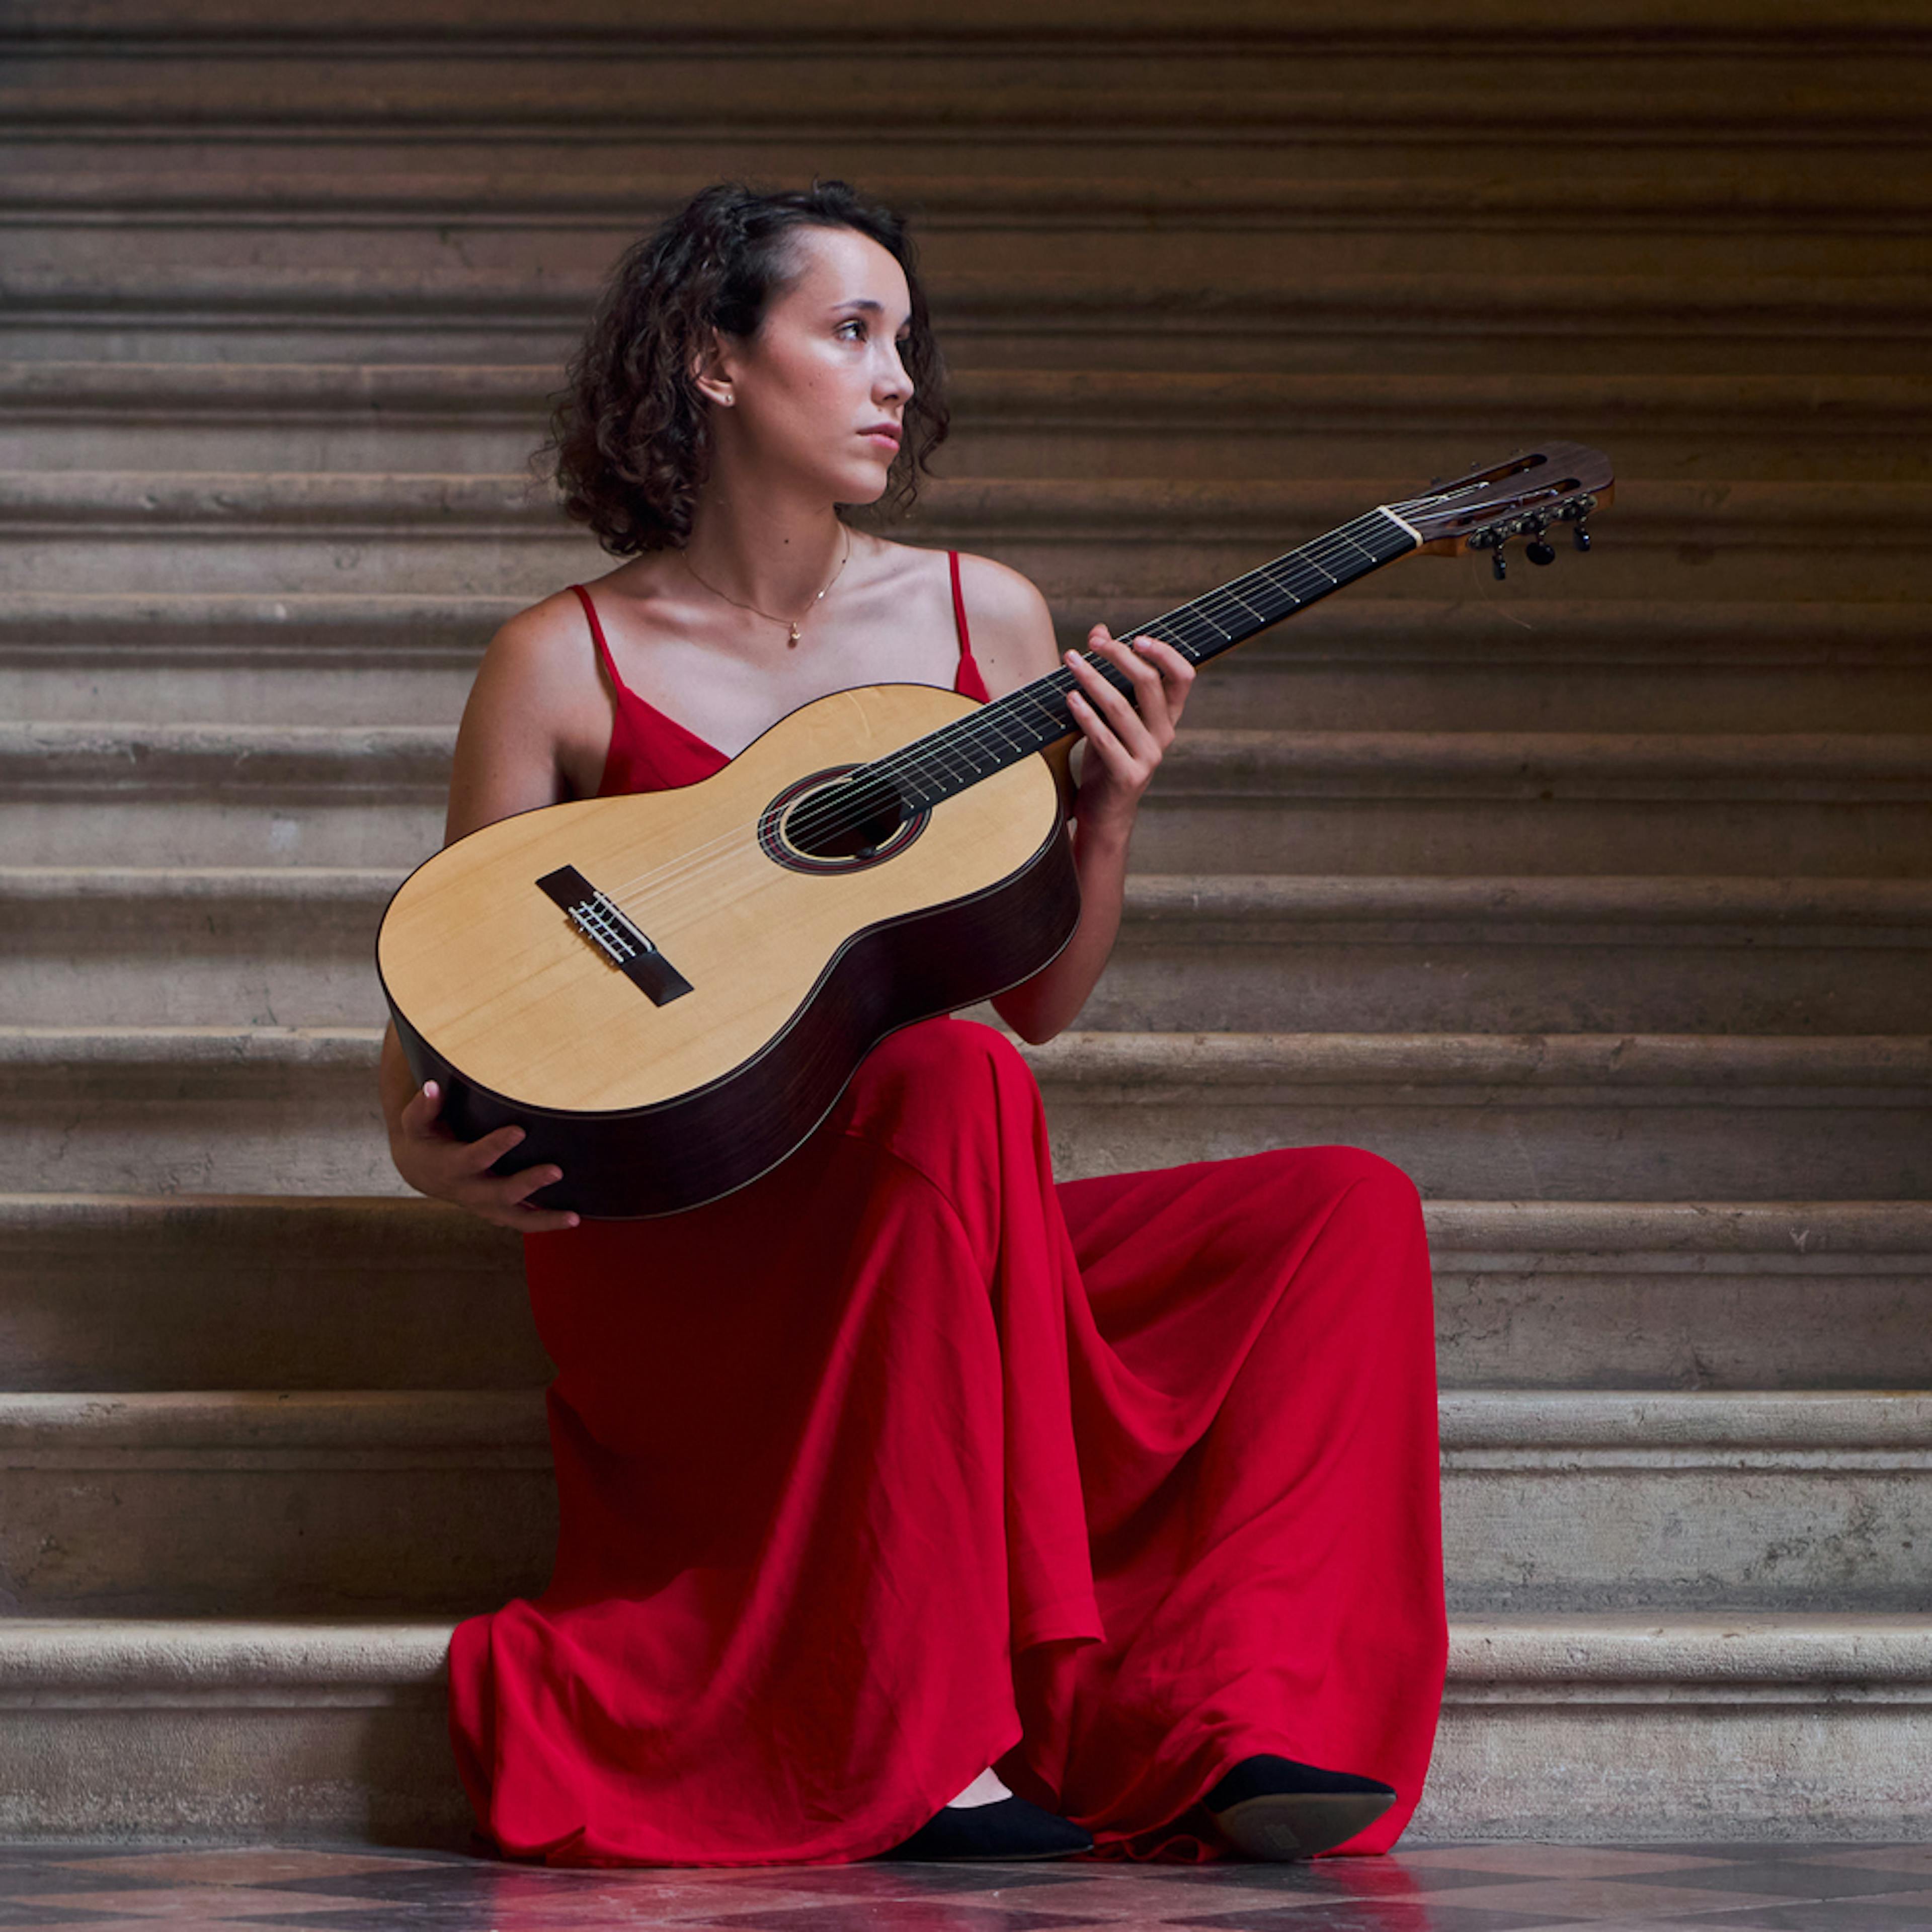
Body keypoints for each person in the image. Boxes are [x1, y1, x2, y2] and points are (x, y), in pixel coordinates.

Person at [377, 180, 1446, 1870]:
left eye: (904, 342)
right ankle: (942, 1740)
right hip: (690, 1244)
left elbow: (1041, 1001)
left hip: (927, 1205)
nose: (898, 380)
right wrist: (427, 1155)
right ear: (716, 362)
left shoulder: (981, 621)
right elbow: (448, 994)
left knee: (1343, 1211)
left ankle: (1233, 1717)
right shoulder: (560, 660)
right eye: (851, 332)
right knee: (946, 1073)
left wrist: (1106, 816)